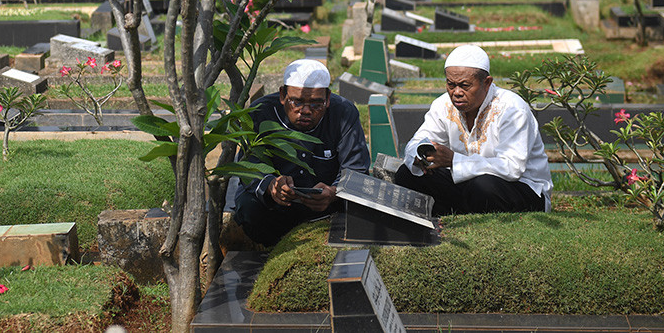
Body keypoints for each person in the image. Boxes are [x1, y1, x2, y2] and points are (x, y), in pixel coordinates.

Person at [394, 44, 552, 215]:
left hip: (521, 188)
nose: (456, 92)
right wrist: (419, 156)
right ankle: (455, 214)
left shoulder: (512, 109)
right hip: (469, 185)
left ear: (487, 83)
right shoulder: (443, 105)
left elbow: (512, 168)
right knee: (407, 174)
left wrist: (454, 160)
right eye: (450, 84)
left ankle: (453, 211)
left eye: (464, 85)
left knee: (483, 186)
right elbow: (418, 141)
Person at [233, 59, 371, 246]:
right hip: (276, 207)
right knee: (249, 207)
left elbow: (356, 168)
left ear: (328, 98)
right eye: (296, 102)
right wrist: (271, 185)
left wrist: (333, 192)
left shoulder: (344, 114)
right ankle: (272, 247)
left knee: (359, 201)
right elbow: (249, 166)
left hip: (326, 205)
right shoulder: (261, 112)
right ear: (282, 95)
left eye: (316, 104)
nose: (305, 111)